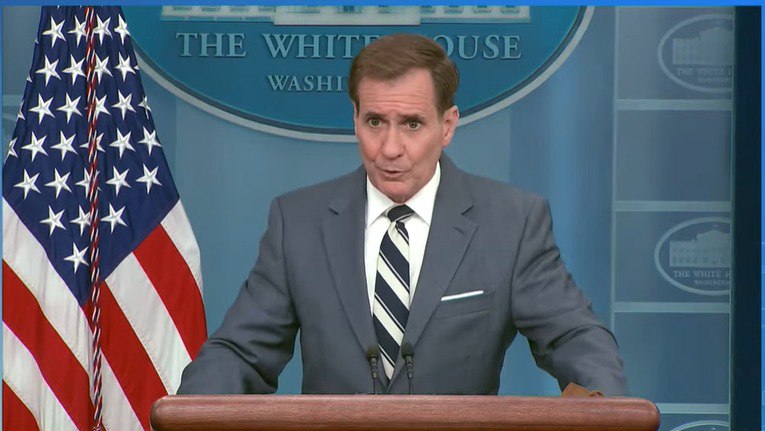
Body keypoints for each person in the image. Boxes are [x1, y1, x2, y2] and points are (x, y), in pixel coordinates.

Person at [177, 33, 627, 396]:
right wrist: (189, 413)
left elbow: (574, 338)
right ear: (355, 120)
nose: (390, 148)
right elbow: (241, 353)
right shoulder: (298, 223)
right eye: (375, 122)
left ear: (447, 126)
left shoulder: (512, 223)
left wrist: (606, 409)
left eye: (412, 124)